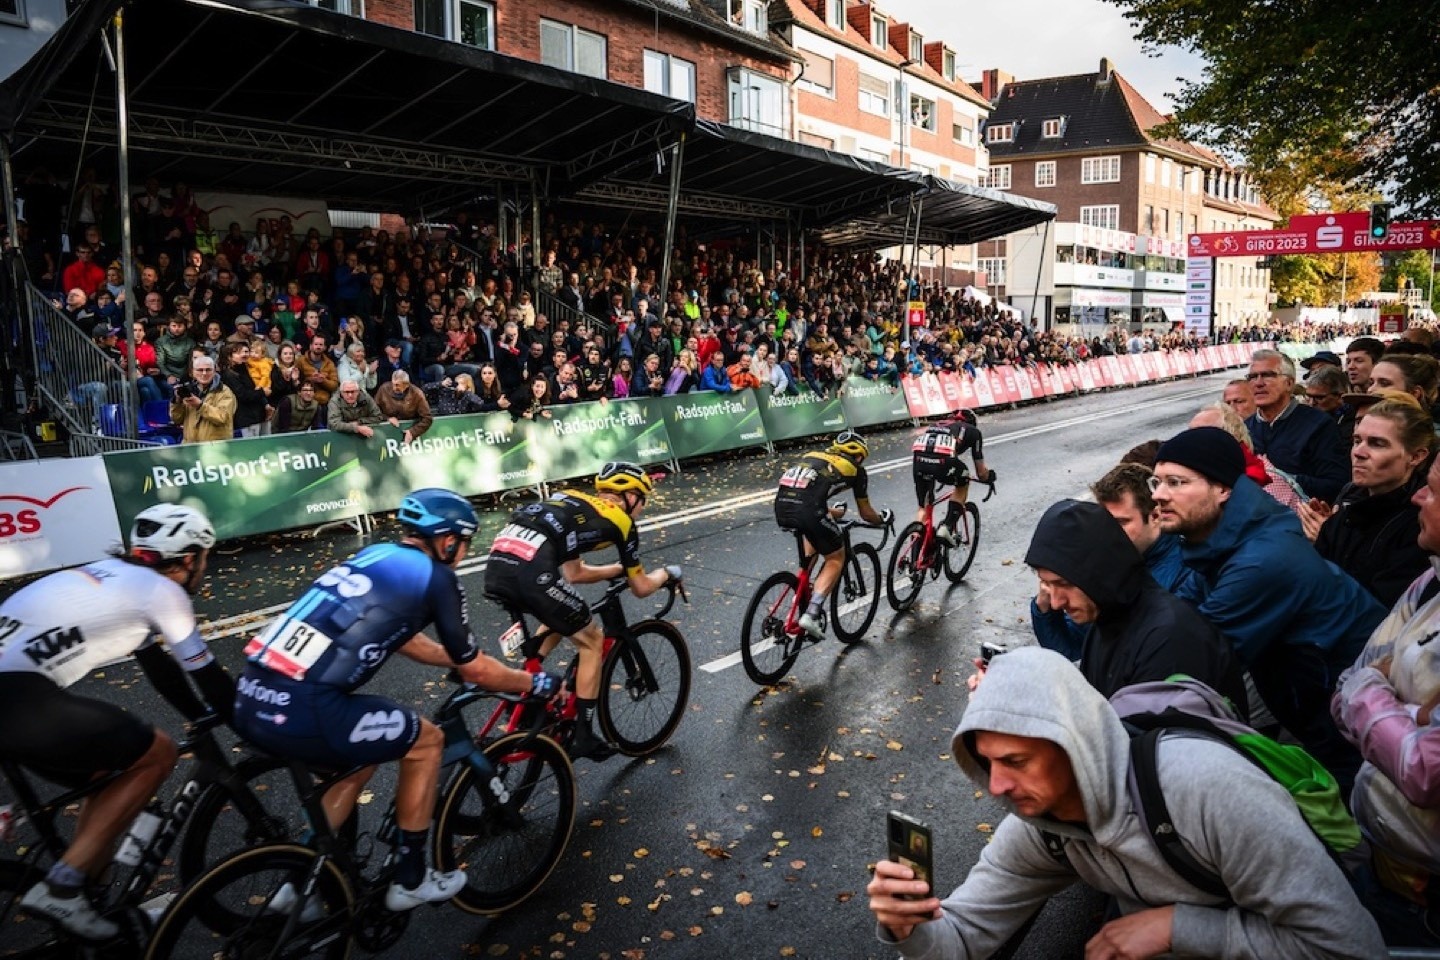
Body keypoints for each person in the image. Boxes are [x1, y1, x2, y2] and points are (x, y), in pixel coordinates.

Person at [867, 647, 1385, 960]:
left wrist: (1171, 927)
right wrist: (909, 927)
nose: (996, 786)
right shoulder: (1041, 827)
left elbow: (1347, 948)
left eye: (1017, 760)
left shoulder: (1205, 788)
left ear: (1074, 742)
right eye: (987, 763)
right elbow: (961, 942)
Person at [233, 489, 555, 912]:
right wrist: (532, 684)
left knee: (359, 757)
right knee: (426, 741)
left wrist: (454, 660)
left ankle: (302, 883)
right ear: (449, 540)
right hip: (305, 706)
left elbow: (403, 637)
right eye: (465, 542)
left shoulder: (377, 555)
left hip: (251, 692)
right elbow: (477, 671)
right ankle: (410, 879)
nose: (463, 552)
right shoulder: (438, 578)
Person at [0, 505, 235, 939]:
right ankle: (65, 887)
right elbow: (209, 678)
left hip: (15, 699)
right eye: (205, 557)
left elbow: (158, 666)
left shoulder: (110, 573)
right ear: (188, 558)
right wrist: (252, 721)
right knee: (157, 752)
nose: (205, 567)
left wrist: (201, 717)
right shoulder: (162, 592)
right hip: (15, 697)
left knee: (109, 773)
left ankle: (90, 896)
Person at [1152, 426, 1385, 789]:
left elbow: (1197, 660)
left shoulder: (1261, 561)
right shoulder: (1222, 542)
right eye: (1157, 482)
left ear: (1223, 489)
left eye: (1177, 482)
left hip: (1353, 718)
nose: (1160, 496)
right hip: (1322, 708)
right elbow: (1179, 616)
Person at [483, 463, 681, 760]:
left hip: (499, 563)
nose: (643, 507)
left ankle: (526, 690)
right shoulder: (621, 520)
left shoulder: (572, 500)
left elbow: (574, 574)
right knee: (592, 639)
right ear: (629, 497)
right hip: (531, 571)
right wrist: (666, 574)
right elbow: (641, 587)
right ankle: (584, 736)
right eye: (643, 498)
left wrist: (617, 570)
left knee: (561, 612)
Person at [1332, 449, 1440, 948]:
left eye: (1434, 489)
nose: (1418, 495)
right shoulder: (1429, 583)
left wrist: (1374, 695)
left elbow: (1423, 769)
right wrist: (1410, 715)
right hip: (1383, 857)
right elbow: (1347, 685)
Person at [1023, 498, 1246, 707]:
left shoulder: (1169, 639)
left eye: (1064, 583)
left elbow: (1138, 741)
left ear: (1097, 571)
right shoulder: (1106, 621)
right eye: (1047, 585)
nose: (1055, 602)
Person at [1032, 462, 1200, 660]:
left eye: (1121, 523)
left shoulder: (1189, 570)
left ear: (1155, 516)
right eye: (1105, 523)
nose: (1110, 533)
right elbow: (1073, 646)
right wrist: (1045, 609)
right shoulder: (1103, 565)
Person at [1303, 398, 1433, 608]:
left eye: (1377, 443)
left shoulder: (1420, 523)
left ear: (1416, 456)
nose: (1358, 452)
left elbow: (1380, 608)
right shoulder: (1349, 497)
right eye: (1356, 440)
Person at [773, 432, 891, 639]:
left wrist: (835, 513)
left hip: (782, 506)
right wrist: (882, 519)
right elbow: (866, 513)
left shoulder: (812, 456)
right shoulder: (856, 470)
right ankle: (811, 613)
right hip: (809, 510)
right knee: (836, 557)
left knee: (811, 553)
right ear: (859, 456)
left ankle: (795, 598)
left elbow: (807, 494)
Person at [1243, 349, 1349, 501]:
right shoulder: (1245, 428)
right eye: (1252, 377)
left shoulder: (1319, 425)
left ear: (1289, 383)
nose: (1259, 383)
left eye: (1268, 375)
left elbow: (1336, 485)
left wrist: (1282, 480)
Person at [909, 410, 993, 546]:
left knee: (923, 507)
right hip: (943, 462)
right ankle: (946, 527)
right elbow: (981, 473)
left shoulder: (937, 425)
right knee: (963, 482)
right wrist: (989, 477)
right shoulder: (974, 432)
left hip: (919, 460)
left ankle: (915, 549)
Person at [170, 354, 236, 443]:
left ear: (214, 371)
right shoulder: (189, 390)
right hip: (190, 447)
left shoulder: (224, 392)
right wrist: (177, 401)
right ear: (193, 372)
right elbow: (176, 419)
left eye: (208, 370)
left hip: (216, 448)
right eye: (200, 370)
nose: (204, 373)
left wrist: (200, 405)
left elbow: (222, 417)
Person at [375, 369, 434, 444]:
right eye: (393, 384)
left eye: (397, 385)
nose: (394, 388)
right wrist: (387, 418)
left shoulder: (417, 394)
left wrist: (412, 432)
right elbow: (373, 411)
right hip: (385, 433)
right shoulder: (383, 389)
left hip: (408, 433)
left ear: (406, 385)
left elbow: (427, 418)